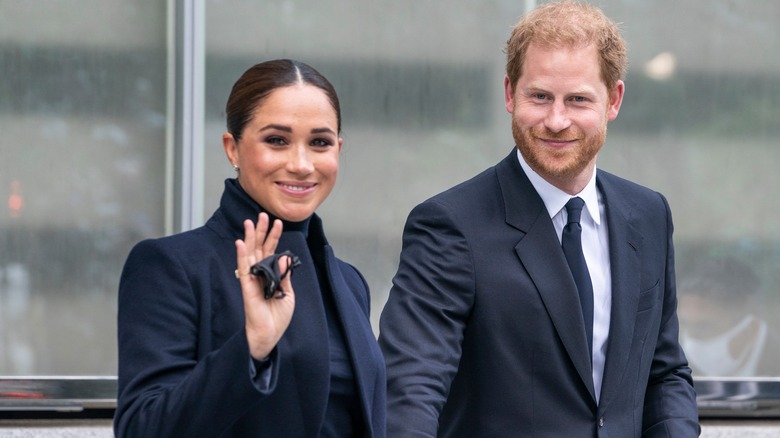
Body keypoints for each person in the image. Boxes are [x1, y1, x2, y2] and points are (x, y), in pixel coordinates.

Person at [378, 1, 699, 436]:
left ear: (614, 100)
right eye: (540, 96)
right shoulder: (449, 225)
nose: (556, 120)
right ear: (510, 94)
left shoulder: (648, 214)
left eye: (578, 99)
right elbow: (410, 388)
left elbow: (664, 373)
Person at [114, 59, 386, 437]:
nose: (302, 164)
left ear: (338, 150)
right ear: (233, 148)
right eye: (277, 140)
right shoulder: (170, 267)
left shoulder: (348, 281)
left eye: (319, 142)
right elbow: (143, 428)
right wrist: (252, 346)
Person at [678, 256, 780, 377]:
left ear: (749, 326)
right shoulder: (679, 373)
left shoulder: (774, 367)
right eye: (684, 324)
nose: (691, 340)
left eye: (704, 327)